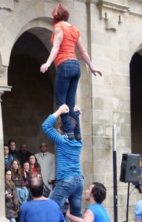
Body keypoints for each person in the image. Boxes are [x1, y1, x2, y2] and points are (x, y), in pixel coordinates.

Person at [40, 4, 102, 140]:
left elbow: (56, 47)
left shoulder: (58, 28)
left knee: (61, 102)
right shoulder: (75, 29)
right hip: (76, 66)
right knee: (71, 103)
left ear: (55, 17)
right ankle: (77, 133)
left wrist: (48, 63)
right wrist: (91, 67)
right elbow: (83, 51)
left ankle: (69, 132)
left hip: (65, 65)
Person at [42, 104, 84, 222]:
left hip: (66, 179)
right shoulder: (78, 142)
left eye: (59, 128)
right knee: (77, 216)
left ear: (62, 128)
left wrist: (59, 111)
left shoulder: (62, 140)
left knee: (51, 210)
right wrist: (76, 116)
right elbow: (77, 131)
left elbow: (45, 126)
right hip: (79, 181)